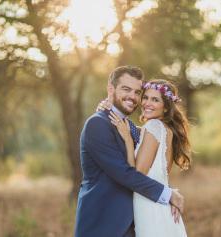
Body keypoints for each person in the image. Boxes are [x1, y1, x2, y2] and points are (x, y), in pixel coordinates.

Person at [74, 66, 185, 237]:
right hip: (104, 224)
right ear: (111, 89)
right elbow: (125, 173)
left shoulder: (132, 128)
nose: (132, 97)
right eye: (126, 89)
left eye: (137, 92)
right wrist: (167, 194)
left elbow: (149, 165)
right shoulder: (98, 124)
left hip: (135, 222)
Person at [107, 79, 190, 237]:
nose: (147, 103)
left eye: (155, 99)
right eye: (145, 97)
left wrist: (126, 139)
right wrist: (108, 104)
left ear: (165, 108)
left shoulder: (154, 127)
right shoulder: (165, 130)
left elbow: (136, 174)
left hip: (151, 208)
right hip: (159, 204)